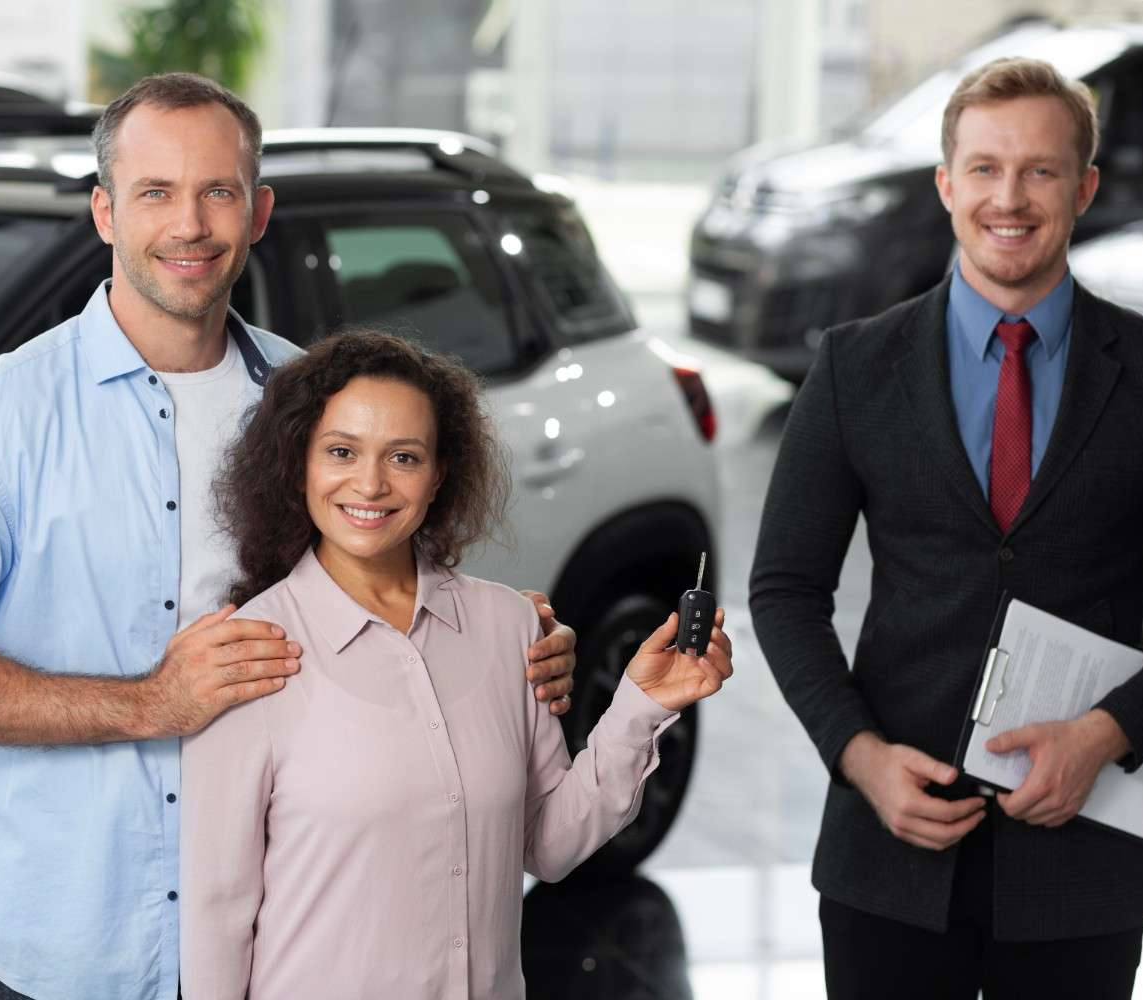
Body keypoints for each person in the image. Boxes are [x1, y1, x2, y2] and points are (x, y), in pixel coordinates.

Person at [0, 73, 578, 1000]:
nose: (189, 225)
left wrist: (515, 648)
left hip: (289, 949)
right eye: (156, 192)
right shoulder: (1, 413)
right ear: (106, 212)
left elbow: (399, 604)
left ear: (259, 210)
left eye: (217, 191)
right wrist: (148, 703)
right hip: (72, 957)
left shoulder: (307, 398)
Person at [750, 57, 1143, 1000]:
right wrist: (857, 757)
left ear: (1084, 189)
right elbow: (786, 592)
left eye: (1040, 170)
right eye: (986, 167)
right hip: (890, 845)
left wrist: (1110, 735)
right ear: (947, 184)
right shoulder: (853, 368)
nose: (1011, 197)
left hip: (1081, 863)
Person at [179, 331, 733, 1000]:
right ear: (299, 463)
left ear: (440, 474)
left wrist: (640, 710)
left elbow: (550, 844)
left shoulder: (508, 627)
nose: (371, 483)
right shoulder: (248, 653)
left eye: (404, 456)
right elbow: (217, 909)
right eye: (342, 451)